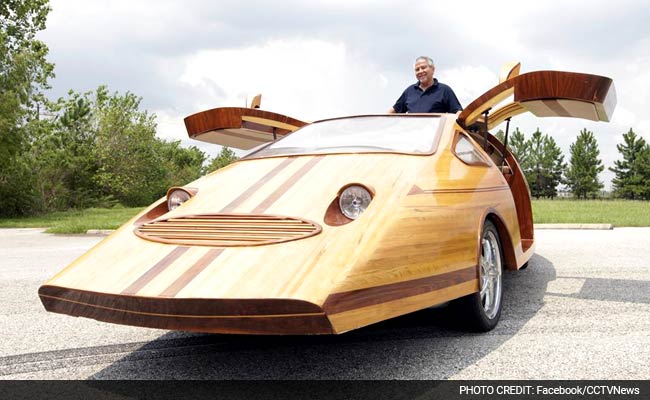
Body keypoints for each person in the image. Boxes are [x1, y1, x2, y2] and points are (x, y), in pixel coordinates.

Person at [389, 56, 463, 114]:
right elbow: (394, 111)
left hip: (436, 133)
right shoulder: (409, 91)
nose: (420, 71)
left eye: (423, 67)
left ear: (433, 69)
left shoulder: (445, 90)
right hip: (412, 132)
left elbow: (457, 112)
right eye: (417, 69)